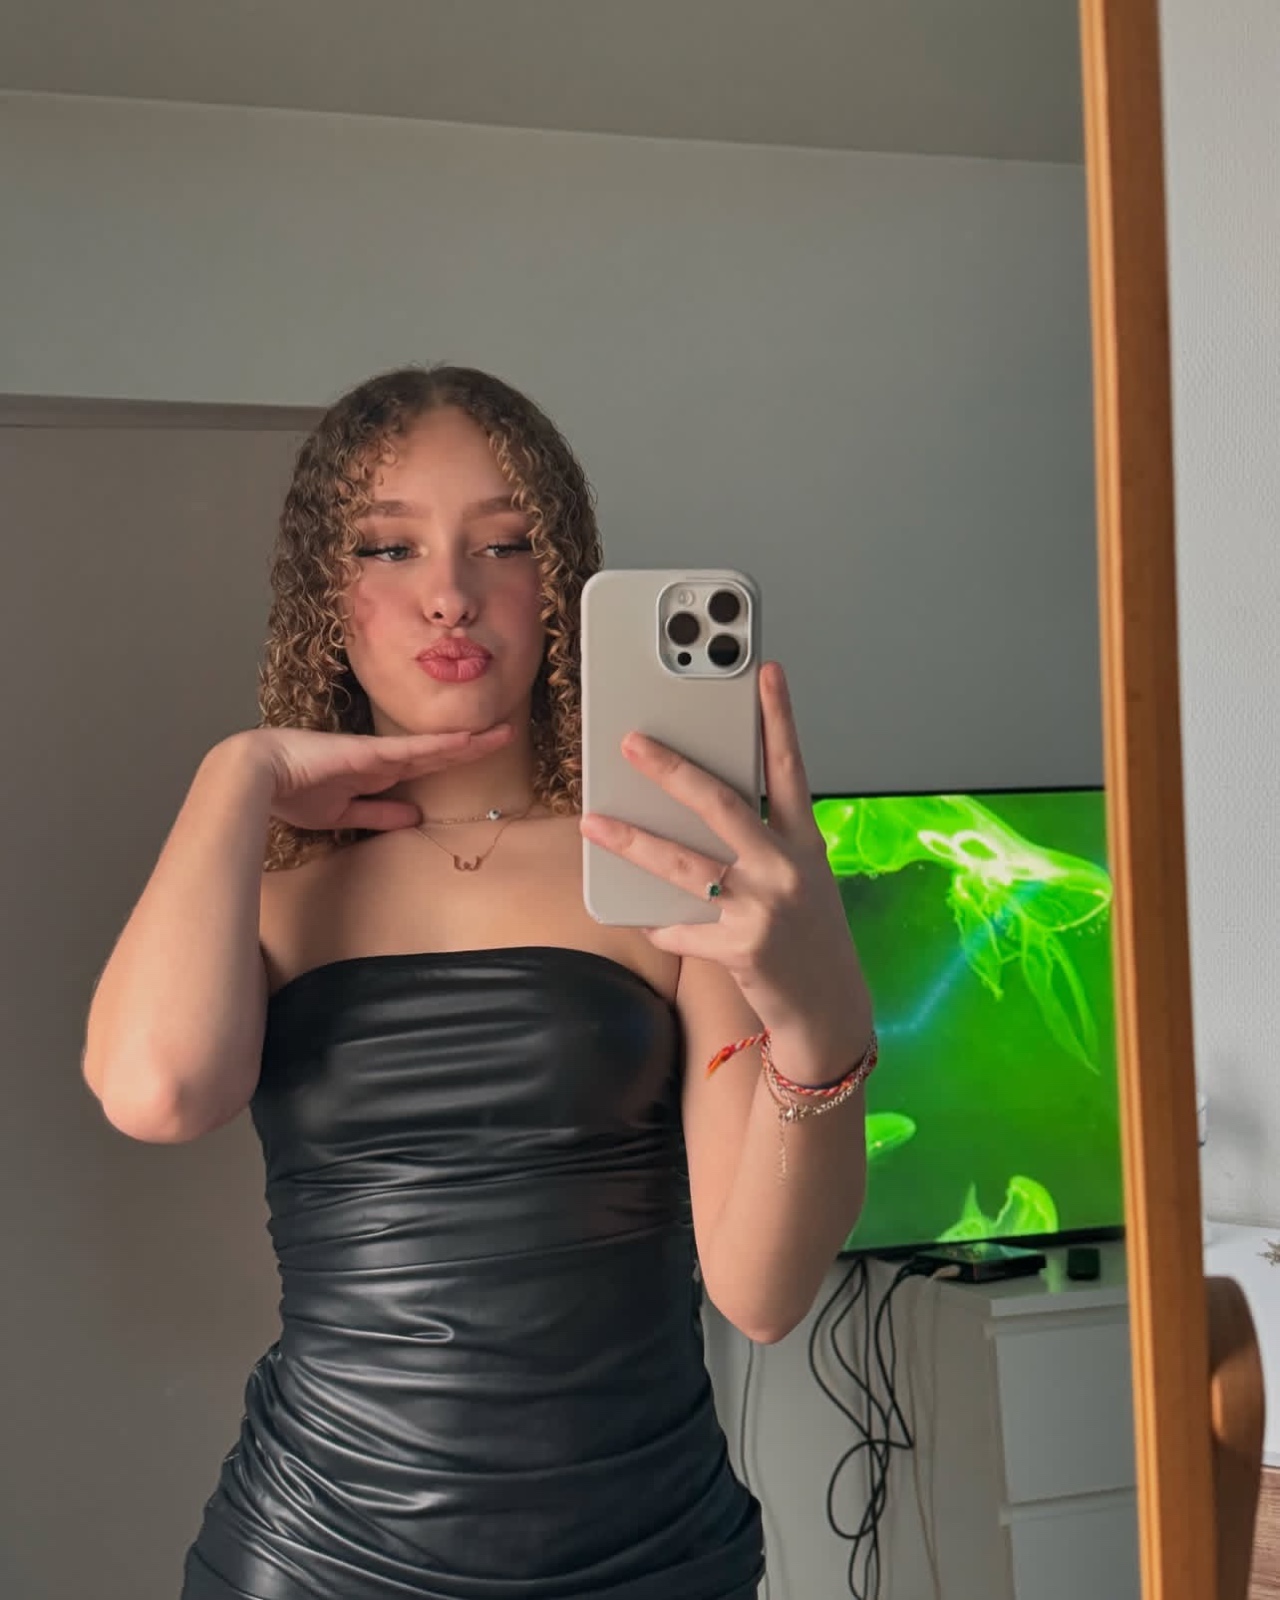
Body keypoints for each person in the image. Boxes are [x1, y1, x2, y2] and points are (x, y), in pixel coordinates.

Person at [81, 365, 876, 1600]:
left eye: (502, 543)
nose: (448, 592)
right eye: (388, 547)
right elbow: (155, 1091)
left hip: (649, 1557)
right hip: (317, 1556)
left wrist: (821, 1016)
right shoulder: (273, 892)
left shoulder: (659, 871)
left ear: (560, 584)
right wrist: (237, 775)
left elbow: (762, 1295)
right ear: (322, 595)